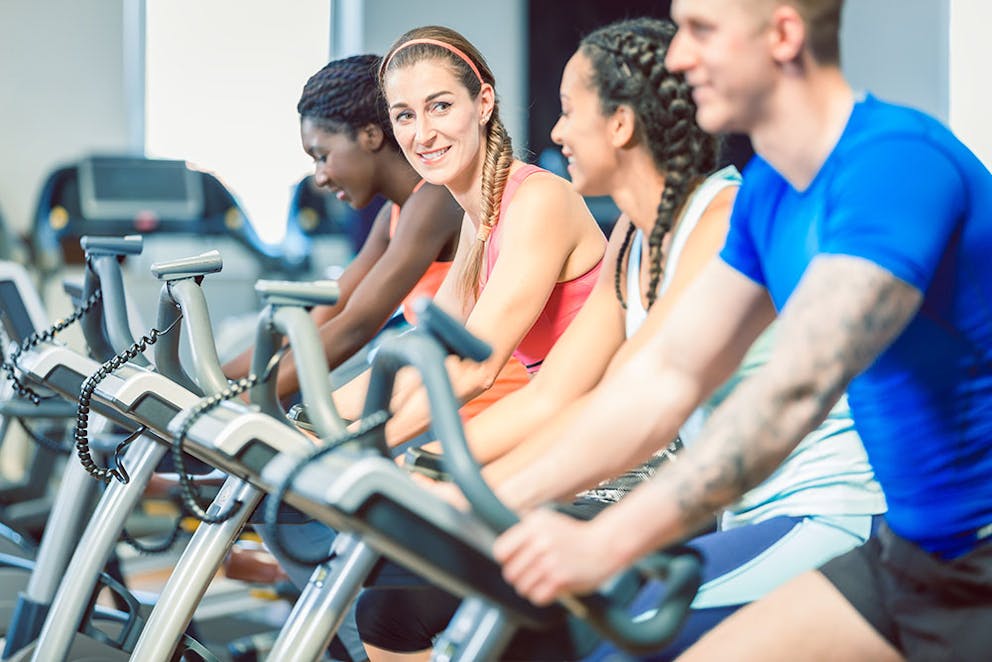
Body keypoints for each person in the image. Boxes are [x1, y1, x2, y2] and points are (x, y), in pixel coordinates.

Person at [356, 17, 883, 660]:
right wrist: (452, 486)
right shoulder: (631, 240)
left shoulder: (718, 222)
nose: (553, 132)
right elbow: (560, 395)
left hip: (816, 510)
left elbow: (648, 398)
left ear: (621, 125)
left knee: (584, 636)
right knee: (416, 609)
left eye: (570, 111)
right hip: (739, 510)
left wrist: (470, 488)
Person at [494, 1, 992, 660]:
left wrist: (606, 542)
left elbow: (794, 389)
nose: (677, 57)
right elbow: (666, 377)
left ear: (783, 35)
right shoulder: (771, 192)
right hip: (905, 556)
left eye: (701, 31)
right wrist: (489, 501)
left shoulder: (893, 161)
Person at [330, 25, 606, 447]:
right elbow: (427, 352)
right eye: (405, 115)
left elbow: (477, 368)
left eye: (440, 106)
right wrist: (311, 417)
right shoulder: (475, 219)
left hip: (609, 438)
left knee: (406, 485)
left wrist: (350, 446)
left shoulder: (538, 200)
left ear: (484, 103)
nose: (422, 134)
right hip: (565, 428)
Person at [222, 54, 529, 410]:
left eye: (322, 155)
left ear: (369, 135)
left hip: (487, 402)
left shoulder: (435, 200)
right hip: (445, 398)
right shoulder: (392, 215)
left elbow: (356, 325)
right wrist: (217, 380)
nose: (319, 177)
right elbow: (326, 315)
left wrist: (239, 400)